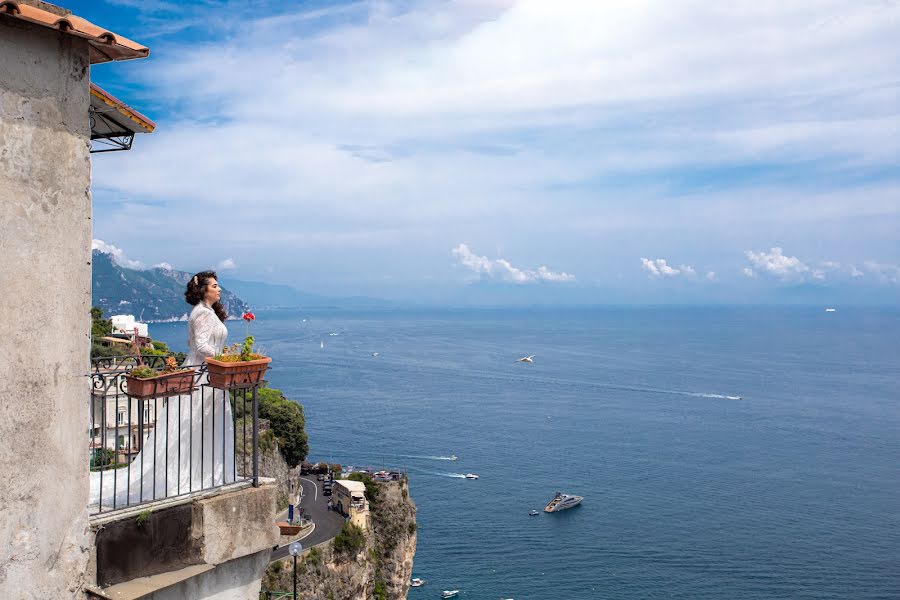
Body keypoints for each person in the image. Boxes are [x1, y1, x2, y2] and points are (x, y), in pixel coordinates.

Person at [90, 271, 236, 508]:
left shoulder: (207, 312)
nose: (219, 290)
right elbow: (199, 345)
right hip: (204, 372)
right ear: (204, 290)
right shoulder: (201, 313)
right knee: (195, 423)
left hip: (209, 371)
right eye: (216, 286)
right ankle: (193, 475)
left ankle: (202, 473)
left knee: (203, 424)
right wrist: (225, 358)